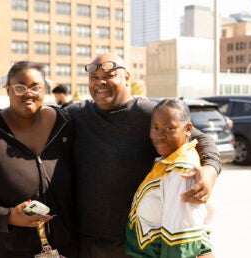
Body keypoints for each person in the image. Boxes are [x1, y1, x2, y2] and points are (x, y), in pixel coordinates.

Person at [64, 53, 221, 258]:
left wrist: (210, 170)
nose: (100, 82)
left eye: (109, 75)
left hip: (135, 244)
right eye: (94, 77)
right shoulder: (77, 114)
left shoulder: (149, 114)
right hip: (87, 242)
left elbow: (201, 140)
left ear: (127, 77)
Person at [0, 61, 78, 258]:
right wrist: (7, 217)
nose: (28, 93)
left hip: (62, 248)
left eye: (36, 87)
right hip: (3, 249)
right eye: (19, 87)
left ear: (46, 90)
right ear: (7, 89)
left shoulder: (64, 127)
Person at [126, 98, 212, 257]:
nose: (160, 136)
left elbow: (179, 242)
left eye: (170, 129)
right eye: (155, 127)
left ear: (188, 129)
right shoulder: (168, 160)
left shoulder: (182, 172)